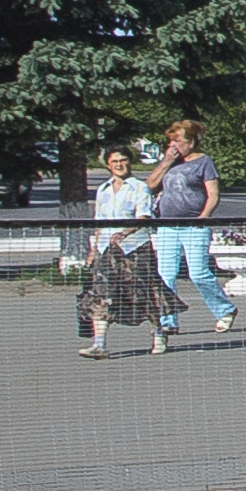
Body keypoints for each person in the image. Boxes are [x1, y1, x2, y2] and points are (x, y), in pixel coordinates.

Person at [149, 118, 240, 344]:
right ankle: (168, 320)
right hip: (167, 225)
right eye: (171, 141)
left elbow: (213, 194)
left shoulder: (203, 162)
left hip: (193, 224)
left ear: (191, 142)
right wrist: (166, 162)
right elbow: (149, 186)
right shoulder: (169, 162)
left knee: (198, 273)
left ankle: (224, 309)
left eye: (178, 141)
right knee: (165, 274)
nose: (174, 146)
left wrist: (204, 217)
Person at [77, 146, 158, 356]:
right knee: (100, 293)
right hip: (106, 250)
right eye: (114, 162)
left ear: (130, 162)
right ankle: (99, 344)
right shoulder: (103, 189)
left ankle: (158, 333)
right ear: (108, 165)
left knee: (143, 293)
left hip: (134, 249)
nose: (119, 165)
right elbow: (99, 222)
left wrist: (124, 233)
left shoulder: (139, 187)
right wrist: (94, 249)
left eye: (123, 160)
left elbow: (144, 217)